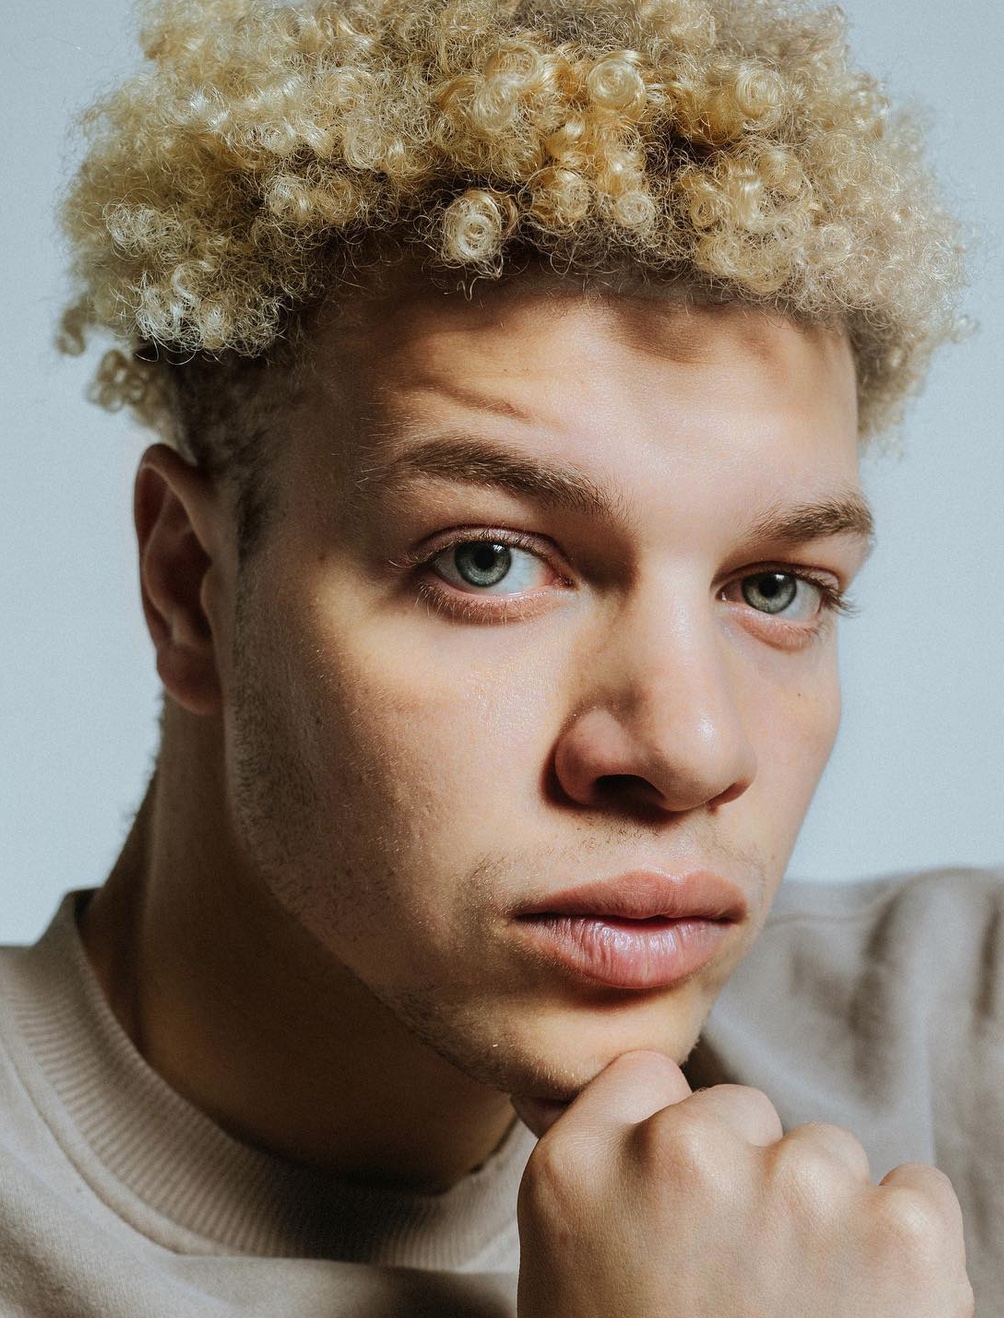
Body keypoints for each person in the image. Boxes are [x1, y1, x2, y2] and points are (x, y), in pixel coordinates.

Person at [1, 0, 997, 1312]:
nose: (691, 748)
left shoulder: (958, 1049)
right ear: (189, 587)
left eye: (774, 587)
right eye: (488, 561)